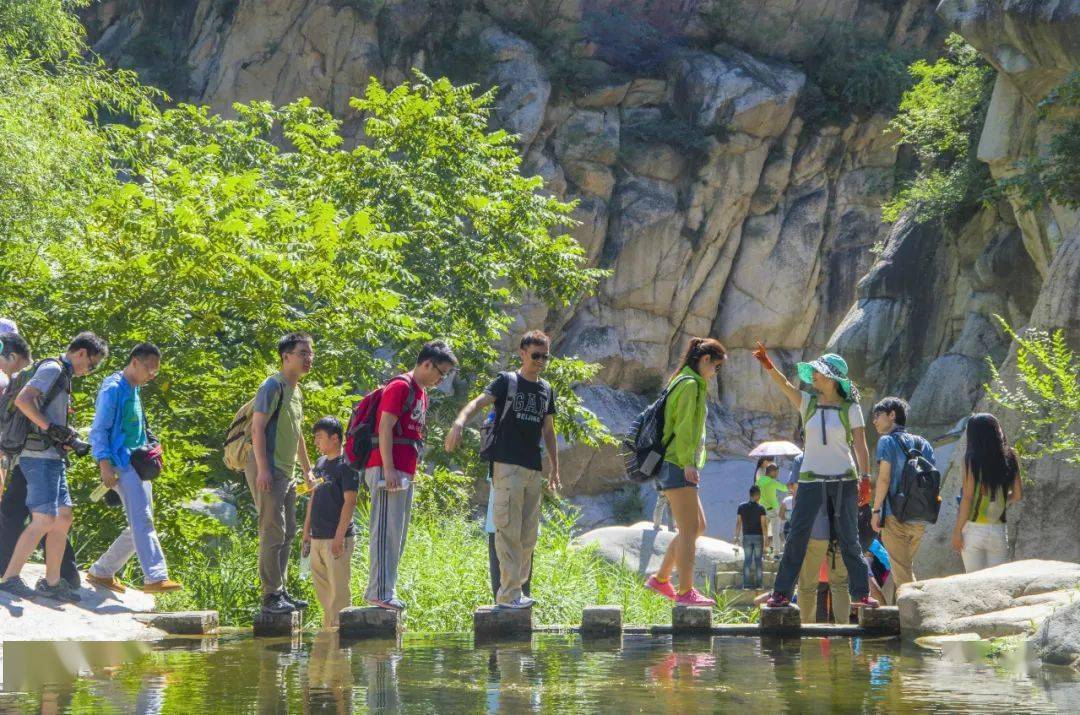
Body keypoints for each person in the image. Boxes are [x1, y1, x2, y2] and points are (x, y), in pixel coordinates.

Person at [752, 345, 878, 610]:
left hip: (844, 479)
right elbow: (785, 385)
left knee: (848, 537)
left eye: (818, 372)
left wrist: (865, 478)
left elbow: (860, 445)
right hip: (810, 479)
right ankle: (782, 593)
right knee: (797, 535)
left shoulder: (850, 408)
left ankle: (862, 595)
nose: (813, 376)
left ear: (831, 377)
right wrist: (767, 363)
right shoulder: (807, 402)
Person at [446, 331, 558, 610]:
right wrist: (459, 423)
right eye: (536, 355)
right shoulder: (506, 381)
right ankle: (508, 595)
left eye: (545, 356)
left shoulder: (546, 389)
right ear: (522, 352)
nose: (541, 361)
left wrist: (555, 467)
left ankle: (516, 590)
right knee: (507, 531)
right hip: (506, 466)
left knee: (528, 536)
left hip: (533, 468)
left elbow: (549, 429)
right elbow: (477, 403)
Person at [0, 332, 107, 602]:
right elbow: (24, 400)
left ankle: (51, 582)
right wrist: (52, 429)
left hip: (52, 456)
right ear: (81, 353)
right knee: (44, 518)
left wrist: (65, 436)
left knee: (63, 517)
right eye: (91, 364)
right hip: (36, 457)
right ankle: (10, 578)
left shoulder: (63, 375)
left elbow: (44, 414)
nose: (90, 371)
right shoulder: (52, 368)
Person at [367, 340, 457, 610]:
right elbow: (385, 428)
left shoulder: (421, 393)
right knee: (384, 531)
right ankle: (378, 592)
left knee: (397, 533)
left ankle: (386, 590)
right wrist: (390, 467)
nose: (441, 379)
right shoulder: (400, 386)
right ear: (426, 363)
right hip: (387, 470)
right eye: (440, 372)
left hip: (403, 472)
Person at [86, 343, 181, 594]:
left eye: (155, 372)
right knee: (142, 519)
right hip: (119, 463)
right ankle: (155, 577)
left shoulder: (135, 388)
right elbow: (99, 429)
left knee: (140, 521)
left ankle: (101, 571)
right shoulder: (113, 387)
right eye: (149, 369)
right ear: (135, 362)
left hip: (136, 464)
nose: (152, 375)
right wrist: (104, 464)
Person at [643, 337, 728, 607]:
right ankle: (685, 591)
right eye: (715, 367)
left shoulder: (687, 381)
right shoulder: (691, 384)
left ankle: (661, 578)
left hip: (676, 463)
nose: (715, 374)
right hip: (677, 464)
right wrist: (687, 462)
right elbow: (683, 427)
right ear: (704, 360)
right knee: (690, 528)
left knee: (697, 526)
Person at [247, 332, 315, 614]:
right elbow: (257, 428)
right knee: (272, 531)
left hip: (286, 473)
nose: (308, 358)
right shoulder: (271, 387)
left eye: (310, 353)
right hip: (268, 469)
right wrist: (263, 469)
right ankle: (269, 595)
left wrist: (307, 470)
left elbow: (297, 434)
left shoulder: (296, 391)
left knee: (288, 533)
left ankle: (281, 591)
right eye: (302, 353)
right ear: (286, 356)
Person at [868, 397, 935, 599]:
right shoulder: (924, 443)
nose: (874, 421)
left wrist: (876, 510)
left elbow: (884, 478)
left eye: (878, 415)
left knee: (903, 574)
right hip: (920, 516)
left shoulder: (887, 441)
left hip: (894, 516)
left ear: (892, 415)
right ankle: (901, 616)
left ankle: (917, 617)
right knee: (903, 568)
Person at [301, 417, 359, 629]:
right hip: (317, 537)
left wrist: (339, 537)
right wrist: (306, 531)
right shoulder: (320, 463)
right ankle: (329, 633)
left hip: (337, 539)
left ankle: (341, 640)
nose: (316, 442)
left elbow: (350, 501)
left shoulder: (347, 465)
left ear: (335, 438)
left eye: (319, 437)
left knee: (339, 592)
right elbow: (313, 496)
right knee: (323, 592)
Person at [951, 413, 1022, 572]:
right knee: (997, 583)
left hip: (973, 528)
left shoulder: (970, 459)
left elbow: (967, 498)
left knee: (974, 581)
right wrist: (1001, 500)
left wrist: (957, 533)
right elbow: (1017, 495)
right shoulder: (1011, 456)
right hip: (998, 529)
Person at [797, 497, 850, 623]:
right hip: (841, 531)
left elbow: (797, 495)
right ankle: (843, 634)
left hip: (815, 530)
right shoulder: (844, 475)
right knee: (840, 585)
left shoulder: (805, 476)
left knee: (807, 586)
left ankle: (807, 635)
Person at [734, 485, 767, 589]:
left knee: (747, 560)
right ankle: (759, 584)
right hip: (758, 536)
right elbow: (763, 525)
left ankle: (747, 584)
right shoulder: (761, 508)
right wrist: (766, 540)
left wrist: (736, 537)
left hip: (747, 536)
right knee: (758, 561)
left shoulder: (741, 507)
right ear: (757, 495)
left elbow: (738, 523)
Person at [756, 463, 787, 557]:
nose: (777, 474)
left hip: (761, 510)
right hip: (773, 510)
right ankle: (776, 553)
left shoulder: (759, 481)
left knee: (763, 532)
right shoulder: (772, 482)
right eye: (777, 472)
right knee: (775, 532)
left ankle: (764, 552)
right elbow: (785, 488)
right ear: (772, 472)